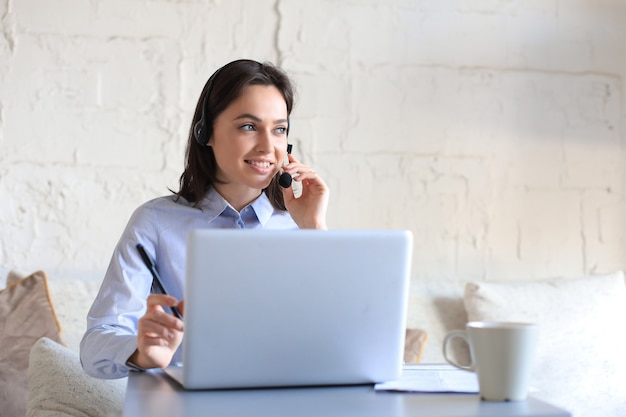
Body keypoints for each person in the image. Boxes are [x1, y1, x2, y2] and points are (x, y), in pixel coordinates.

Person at [80, 59, 329, 379]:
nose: (269, 147)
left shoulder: (302, 225)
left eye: (279, 129)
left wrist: (315, 231)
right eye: (249, 126)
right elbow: (95, 347)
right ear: (206, 131)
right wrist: (142, 353)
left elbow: (337, 341)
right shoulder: (155, 223)